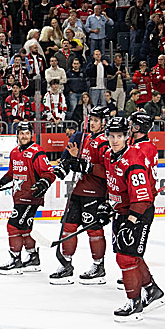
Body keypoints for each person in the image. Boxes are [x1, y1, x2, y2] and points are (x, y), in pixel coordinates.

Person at [102, 116, 165, 321]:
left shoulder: (133, 160)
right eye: (111, 136)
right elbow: (114, 185)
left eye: (119, 136)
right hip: (123, 212)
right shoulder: (109, 156)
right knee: (130, 255)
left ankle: (134, 303)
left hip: (138, 213)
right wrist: (107, 205)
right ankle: (151, 289)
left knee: (126, 257)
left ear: (127, 136)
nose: (114, 140)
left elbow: (142, 197)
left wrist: (131, 222)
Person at [50, 105, 111, 285]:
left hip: (95, 192)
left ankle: (98, 266)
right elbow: (74, 158)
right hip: (77, 190)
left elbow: (108, 170)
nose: (92, 123)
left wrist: (85, 166)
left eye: (96, 120)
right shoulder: (84, 138)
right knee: (68, 227)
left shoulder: (106, 143)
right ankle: (66, 264)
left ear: (104, 123)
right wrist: (71, 161)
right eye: (91, 120)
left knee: (93, 230)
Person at [0, 121, 56, 275]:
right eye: (21, 133)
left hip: (31, 197)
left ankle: (15, 260)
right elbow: (12, 173)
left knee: (13, 226)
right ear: (17, 135)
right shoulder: (14, 152)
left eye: (27, 133)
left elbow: (49, 173)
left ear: (31, 134)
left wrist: (43, 183)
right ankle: (33, 257)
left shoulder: (37, 152)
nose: (24, 136)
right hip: (19, 197)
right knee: (25, 228)